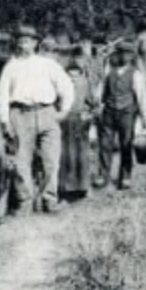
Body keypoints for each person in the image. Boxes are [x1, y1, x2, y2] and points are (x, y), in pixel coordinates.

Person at [0, 25, 75, 213]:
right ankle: (25, 201)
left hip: (47, 112)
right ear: (16, 43)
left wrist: (64, 111)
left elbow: (66, 87)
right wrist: (5, 121)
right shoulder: (11, 67)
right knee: (21, 162)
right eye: (20, 41)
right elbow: (2, 96)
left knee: (51, 161)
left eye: (27, 41)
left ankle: (49, 200)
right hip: (20, 115)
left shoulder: (47, 64)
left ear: (35, 43)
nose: (23, 45)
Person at [98, 41, 146, 189]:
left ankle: (125, 176)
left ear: (131, 56)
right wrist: (99, 107)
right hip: (109, 112)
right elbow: (101, 92)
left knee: (126, 145)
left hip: (127, 113)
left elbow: (142, 96)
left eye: (127, 54)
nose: (123, 57)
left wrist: (145, 117)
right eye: (121, 53)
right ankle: (103, 175)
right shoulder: (109, 72)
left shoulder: (136, 74)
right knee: (105, 145)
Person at [58, 62, 97, 198]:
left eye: (76, 76)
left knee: (82, 154)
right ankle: (67, 188)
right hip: (65, 121)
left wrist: (89, 115)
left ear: (81, 75)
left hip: (80, 121)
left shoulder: (85, 84)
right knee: (66, 155)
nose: (73, 79)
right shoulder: (61, 85)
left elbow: (94, 104)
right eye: (70, 76)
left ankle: (84, 187)